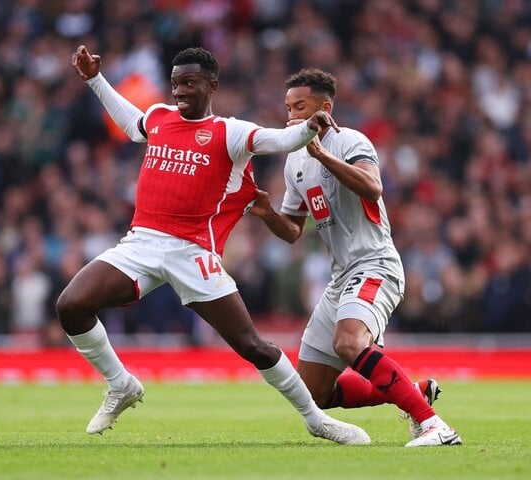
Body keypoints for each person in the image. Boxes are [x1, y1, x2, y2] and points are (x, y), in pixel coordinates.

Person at [57, 45, 370, 445]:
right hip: (141, 243)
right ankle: (121, 384)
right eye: (174, 84)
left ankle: (315, 419)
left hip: (194, 252)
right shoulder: (159, 117)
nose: (179, 92)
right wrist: (95, 79)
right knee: (71, 305)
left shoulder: (230, 131)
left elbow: (278, 139)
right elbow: (131, 121)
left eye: (189, 83)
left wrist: (310, 129)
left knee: (251, 345)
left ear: (212, 85)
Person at [249, 68, 462, 447]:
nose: (291, 115)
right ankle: (411, 392)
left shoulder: (350, 141)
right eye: (288, 107)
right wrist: (265, 212)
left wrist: (323, 155)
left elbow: (372, 186)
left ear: (325, 107)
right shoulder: (294, 160)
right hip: (341, 277)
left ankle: (434, 426)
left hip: (376, 264)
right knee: (313, 391)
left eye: (300, 106)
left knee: (349, 342)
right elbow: (294, 232)